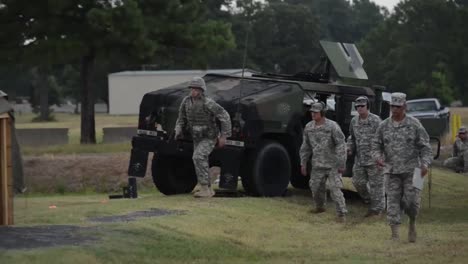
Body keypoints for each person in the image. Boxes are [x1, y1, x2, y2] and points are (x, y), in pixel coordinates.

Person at [372, 92, 432, 242]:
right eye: (393, 106)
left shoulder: (415, 124)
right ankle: (395, 235)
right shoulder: (383, 125)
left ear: (405, 106)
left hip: (415, 170)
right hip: (391, 170)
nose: (395, 109)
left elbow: (426, 147)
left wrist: (425, 164)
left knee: (412, 202)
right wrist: (378, 157)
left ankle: (412, 223)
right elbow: (375, 145)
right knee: (392, 202)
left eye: (398, 106)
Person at [174, 77, 232, 198]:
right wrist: (178, 129)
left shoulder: (208, 102)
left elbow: (224, 115)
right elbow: (181, 118)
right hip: (197, 137)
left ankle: (205, 188)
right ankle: (208, 189)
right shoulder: (186, 101)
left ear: (201, 90)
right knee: (201, 160)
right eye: (192, 88)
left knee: (198, 157)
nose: (193, 91)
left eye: (196, 89)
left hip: (209, 137)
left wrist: (224, 136)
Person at [299, 101, 348, 223]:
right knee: (315, 187)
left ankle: (341, 214)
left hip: (333, 165)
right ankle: (320, 207)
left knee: (335, 190)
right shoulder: (309, 127)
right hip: (317, 164)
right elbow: (306, 146)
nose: (313, 114)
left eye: (315, 112)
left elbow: (341, 144)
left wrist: (342, 162)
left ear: (322, 113)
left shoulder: (332, 126)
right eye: (312, 112)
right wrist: (303, 163)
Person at [347, 96, 384, 217]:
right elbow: (351, 137)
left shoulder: (376, 120)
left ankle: (377, 209)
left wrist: (381, 156)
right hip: (360, 159)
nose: (359, 108)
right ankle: (368, 199)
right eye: (357, 106)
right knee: (358, 182)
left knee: (376, 185)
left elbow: (383, 139)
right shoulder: (354, 121)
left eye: (362, 106)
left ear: (367, 106)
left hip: (374, 159)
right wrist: (350, 148)